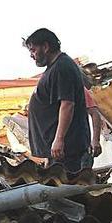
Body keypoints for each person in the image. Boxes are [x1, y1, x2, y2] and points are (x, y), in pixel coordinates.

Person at [23, 28, 92, 180]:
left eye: (33, 50)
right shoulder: (54, 68)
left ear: (46, 47)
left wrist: (59, 139)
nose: (31, 55)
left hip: (67, 151)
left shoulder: (62, 67)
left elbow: (67, 105)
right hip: (58, 153)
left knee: (70, 194)